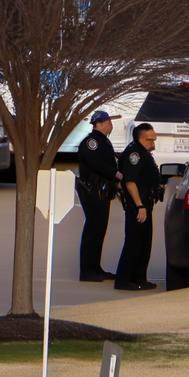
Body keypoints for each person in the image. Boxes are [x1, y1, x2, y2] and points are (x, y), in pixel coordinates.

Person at [76, 110, 123, 282]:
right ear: (101, 124)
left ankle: (95, 268)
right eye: (109, 122)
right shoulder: (91, 142)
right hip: (93, 191)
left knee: (99, 230)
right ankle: (88, 271)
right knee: (93, 230)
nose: (111, 125)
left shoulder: (103, 141)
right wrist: (116, 174)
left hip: (102, 191)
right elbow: (96, 163)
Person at [115, 123, 160, 292]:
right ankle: (124, 280)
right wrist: (140, 205)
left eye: (155, 139)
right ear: (141, 139)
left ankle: (139, 278)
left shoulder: (143, 152)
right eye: (150, 140)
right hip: (137, 206)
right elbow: (130, 181)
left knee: (144, 243)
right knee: (134, 243)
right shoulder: (135, 154)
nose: (153, 143)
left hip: (145, 205)